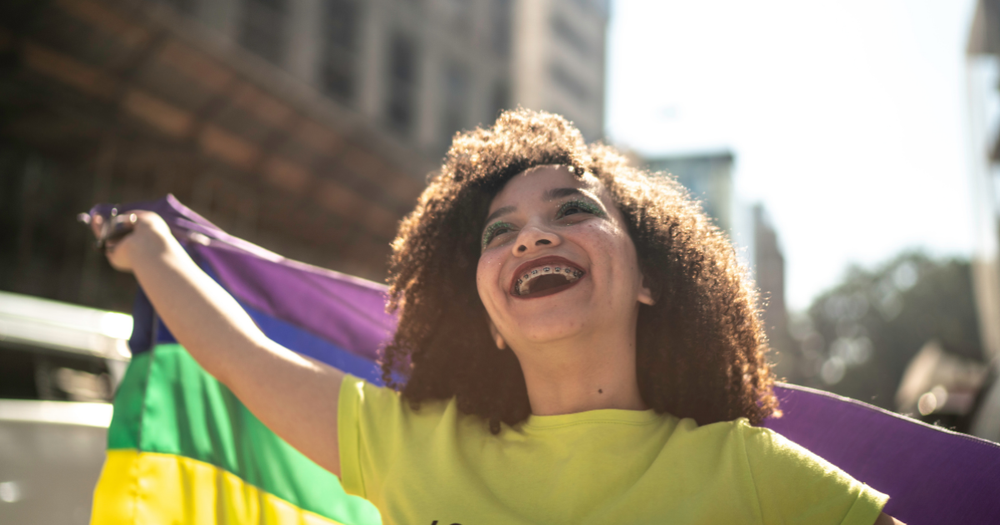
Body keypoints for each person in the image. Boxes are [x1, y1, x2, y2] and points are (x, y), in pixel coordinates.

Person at [95, 109, 902, 524]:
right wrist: (152, 252)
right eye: (499, 230)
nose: (535, 234)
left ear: (652, 278)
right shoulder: (409, 443)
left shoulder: (754, 473)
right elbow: (239, 357)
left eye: (571, 209)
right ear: (483, 312)